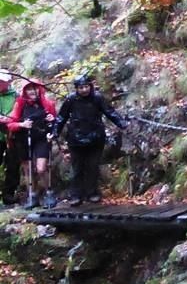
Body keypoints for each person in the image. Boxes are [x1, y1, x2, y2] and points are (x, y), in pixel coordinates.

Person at [52, 74, 127, 205]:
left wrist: (122, 123)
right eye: (81, 87)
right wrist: (55, 132)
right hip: (76, 139)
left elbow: (109, 112)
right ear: (76, 88)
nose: (84, 90)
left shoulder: (97, 98)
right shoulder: (71, 99)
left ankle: (92, 193)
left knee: (93, 166)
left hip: (95, 138)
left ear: (90, 86)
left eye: (86, 86)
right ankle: (75, 195)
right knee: (77, 168)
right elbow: (61, 117)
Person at [8, 80, 57, 208]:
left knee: (41, 168)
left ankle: (49, 193)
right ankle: (33, 195)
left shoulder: (47, 104)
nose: (32, 91)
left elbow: (56, 123)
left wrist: (52, 120)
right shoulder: (20, 104)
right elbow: (11, 124)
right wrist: (22, 124)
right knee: (28, 169)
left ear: (40, 89)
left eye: (35, 88)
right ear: (25, 91)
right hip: (24, 139)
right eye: (29, 89)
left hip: (41, 138)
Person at [0, 72, 19, 206]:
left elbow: (20, 111)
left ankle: (9, 195)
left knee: (13, 165)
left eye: (2, 81)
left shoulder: (16, 96)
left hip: (12, 134)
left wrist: (10, 118)